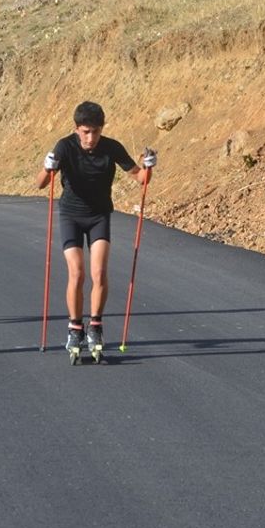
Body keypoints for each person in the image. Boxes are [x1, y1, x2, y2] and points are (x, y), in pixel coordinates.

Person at [35, 101, 155, 357]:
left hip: (99, 215)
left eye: (96, 132)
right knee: (77, 273)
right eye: (86, 132)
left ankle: (96, 326)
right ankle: (75, 327)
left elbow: (140, 178)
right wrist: (48, 167)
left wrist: (149, 166)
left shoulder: (111, 147)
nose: (91, 138)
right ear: (77, 129)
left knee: (99, 272)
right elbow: (41, 184)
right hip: (71, 216)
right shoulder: (64, 146)